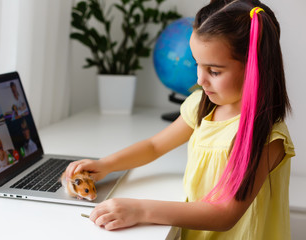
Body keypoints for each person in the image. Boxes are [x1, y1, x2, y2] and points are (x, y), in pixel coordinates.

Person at [65, 0, 295, 239]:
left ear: (255, 68)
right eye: (197, 64)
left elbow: (225, 214)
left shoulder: (267, 135)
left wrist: (140, 209)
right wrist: (105, 165)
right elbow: (154, 146)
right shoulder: (201, 105)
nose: (200, 79)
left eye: (214, 71)